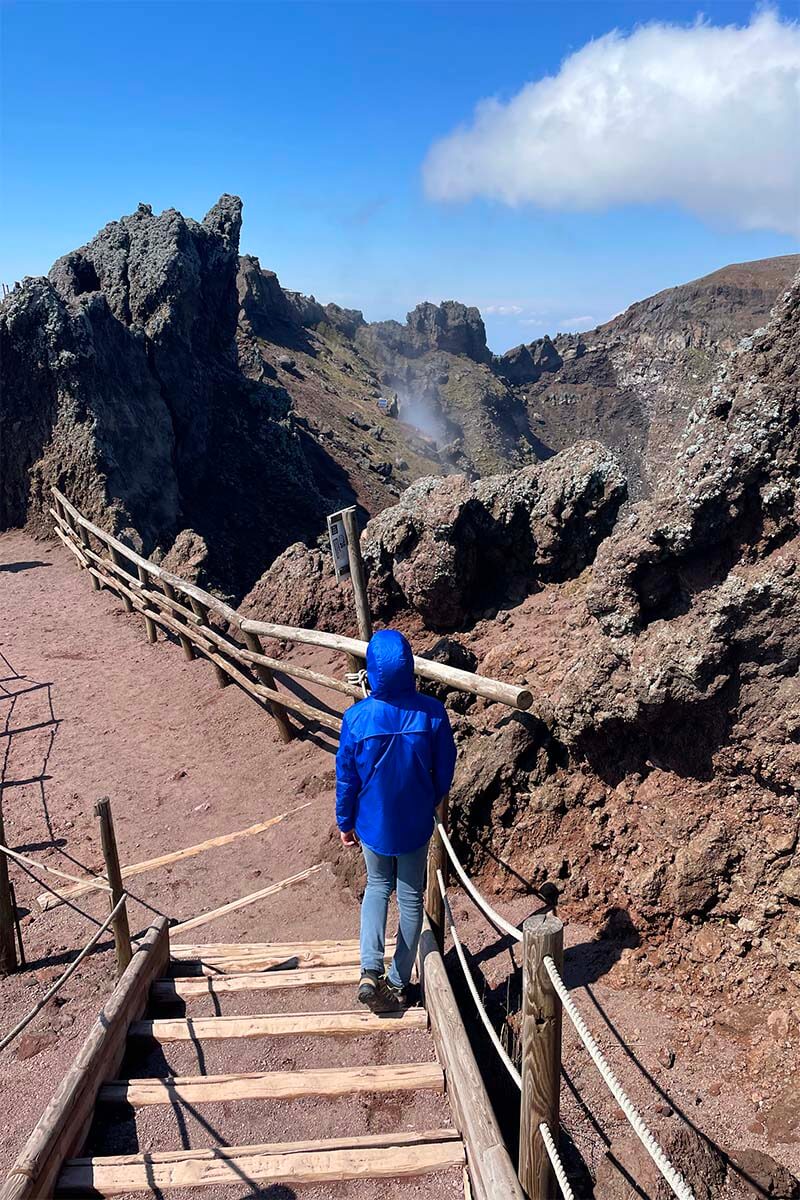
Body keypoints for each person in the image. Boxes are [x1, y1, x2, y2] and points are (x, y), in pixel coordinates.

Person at [335, 629, 456, 1011]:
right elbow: (446, 767)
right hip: (415, 823)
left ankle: (369, 969)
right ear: (409, 667)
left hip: (372, 823)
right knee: (409, 897)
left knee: (376, 887)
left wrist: (345, 820)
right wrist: (431, 797)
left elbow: (346, 777)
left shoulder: (356, 718)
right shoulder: (432, 713)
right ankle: (399, 981)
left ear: (371, 670)